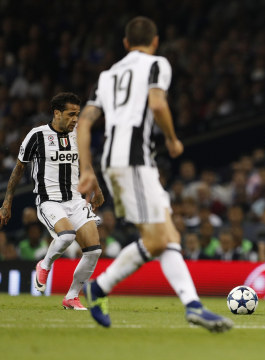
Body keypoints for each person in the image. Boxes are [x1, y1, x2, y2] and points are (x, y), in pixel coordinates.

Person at [76, 16, 232, 332]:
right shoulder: (157, 64)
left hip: (121, 160)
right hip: (132, 160)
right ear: (156, 41)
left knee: (164, 237)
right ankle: (191, 306)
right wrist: (173, 139)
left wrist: (87, 169)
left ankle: (102, 289)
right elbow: (158, 104)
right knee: (161, 237)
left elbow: (84, 122)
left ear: (125, 44)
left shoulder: (107, 75)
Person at [0, 92, 103, 310]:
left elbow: (85, 164)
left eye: (77, 114)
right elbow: (19, 169)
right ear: (57, 113)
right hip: (50, 201)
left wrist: (97, 189)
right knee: (66, 237)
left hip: (75, 200)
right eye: (71, 114)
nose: (75, 119)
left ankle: (72, 297)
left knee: (94, 251)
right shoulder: (36, 136)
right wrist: (7, 202)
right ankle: (44, 264)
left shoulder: (77, 135)